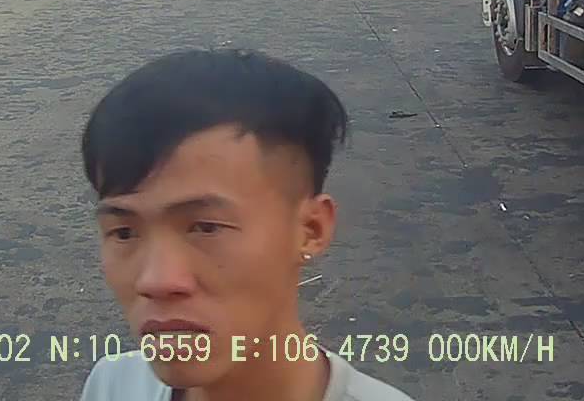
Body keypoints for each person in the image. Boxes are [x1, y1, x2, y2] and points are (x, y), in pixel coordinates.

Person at [79, 49, 416, 401]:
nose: (156, 281)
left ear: (311, 229)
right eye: (124, 233)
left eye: (206, 227)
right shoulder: (114, 385)